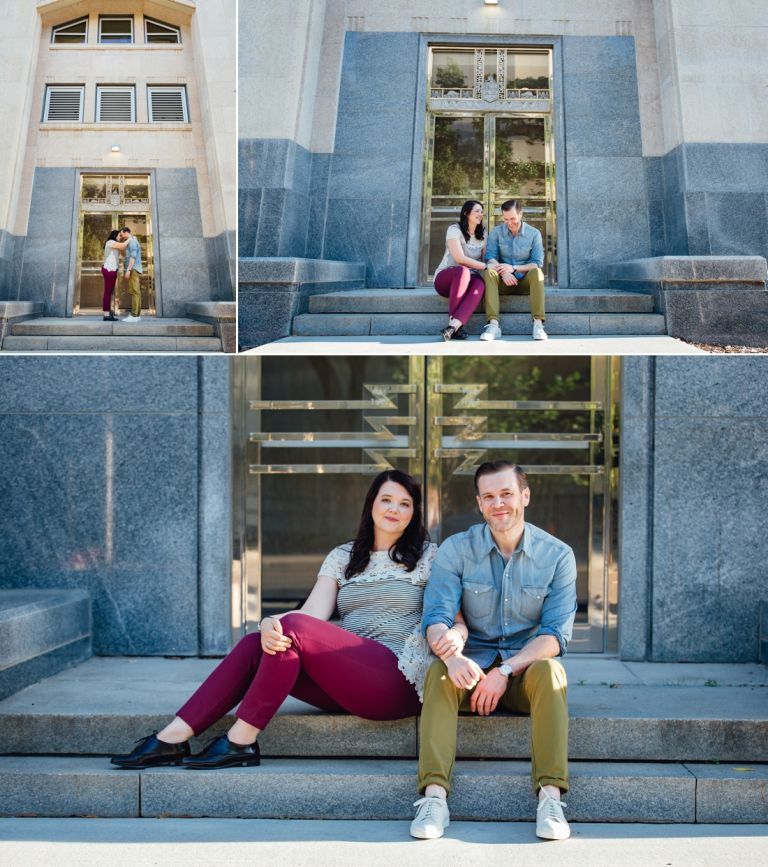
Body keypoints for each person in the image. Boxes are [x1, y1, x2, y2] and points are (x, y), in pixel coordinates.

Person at [110, 470, 463, 770]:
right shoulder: (343, 556)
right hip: (347, 684)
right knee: (257, 643)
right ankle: (172, 737)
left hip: (397, 679)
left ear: (414, 513)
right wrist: (269, 623)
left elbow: (452, 618)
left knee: (289, 630)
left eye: (405, 504)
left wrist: (457, 644)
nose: (394, 510)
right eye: (387, 500)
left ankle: (240, 740)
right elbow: (312, 615)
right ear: (371, 503)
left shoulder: (431, 557)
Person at [410, 460, 576, 842]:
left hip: (523, 676)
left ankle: (550, 799)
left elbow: (555, 636)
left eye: (506, 494)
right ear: (479, 503)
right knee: (437, 672)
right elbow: (435, 617)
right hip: (470, 668)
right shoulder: (456, 550)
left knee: (552, 671)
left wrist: (506, 671)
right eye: (489, 496)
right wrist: (452, 656)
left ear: (525, 496)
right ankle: (434, 799)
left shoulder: (557, 556)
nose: (498, 503)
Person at [480, 200, 548, 342]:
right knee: (489, 272)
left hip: (524, 282)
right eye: (505, 219)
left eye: (512, 218)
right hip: (503, 282)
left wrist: (514, 268)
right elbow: (490, 257)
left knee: (537, 273)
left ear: (520, 214)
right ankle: (493, 325)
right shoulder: (496, 233)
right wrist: (504, 272)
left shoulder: (534, 234)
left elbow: (537, 263)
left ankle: (538, 324)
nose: (509, 222)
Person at [433, 200, 487, 341]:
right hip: (447, 278)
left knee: (480, 284)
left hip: (471, 277)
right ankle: (455, 325)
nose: (480, 214)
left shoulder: (483, 234)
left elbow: (485, 258)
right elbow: (460, 258)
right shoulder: (454, 230)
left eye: (481, 211)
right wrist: (486, 266)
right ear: (466, 213)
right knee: (463, 270)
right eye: (477, 211)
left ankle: (453, 327)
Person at [101, 230, 129, 322]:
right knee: (107, 292)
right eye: (119, 235)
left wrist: (123, 244)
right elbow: (123, 245)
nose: (120, 237)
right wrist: (131, 238)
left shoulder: (115, 244)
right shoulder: (110, 242)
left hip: (112, 270)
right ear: (114, 235)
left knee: (109, 292)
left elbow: (124, 252)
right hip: (109, 269)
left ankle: (108, 313)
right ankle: (106, 314)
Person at [118, 227, 143, 322]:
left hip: (133, 269)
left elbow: (133, 256)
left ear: (126, 232)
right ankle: (137, 315)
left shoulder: (132, 242)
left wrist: (128, 270)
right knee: (135, 291)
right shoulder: (130, 241)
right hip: (133, 269)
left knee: (134, 291)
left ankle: (134, 315)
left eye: (121, 234)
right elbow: (127, 255)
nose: (121, 235)